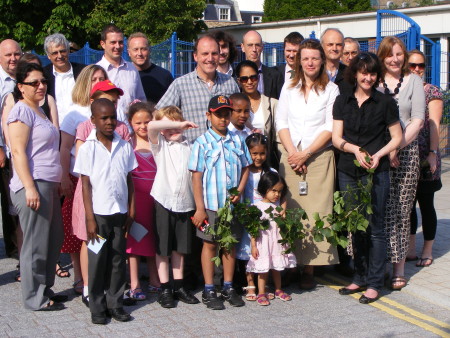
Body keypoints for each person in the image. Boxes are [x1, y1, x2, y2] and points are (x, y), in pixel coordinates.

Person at [332, 52, 402, 304]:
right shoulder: (342, 101)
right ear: (355, 73)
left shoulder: (385, 103)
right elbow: (336, 139)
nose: (368, 77)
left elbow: (397, 137)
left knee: (375, 228)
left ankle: (374, 283)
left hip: (377, 172)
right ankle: (359, 276)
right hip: (349, 170)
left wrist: (378, 155)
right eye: (364, 72)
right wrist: (354, 149)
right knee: (356, 227)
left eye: (372, 73)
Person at [276, 38, 340, 290]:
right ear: (299, 61)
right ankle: (291, 264)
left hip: (318, 158)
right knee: (291, 210)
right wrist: (293, 153)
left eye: (314, 57)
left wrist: (306, 154)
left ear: (322, 60)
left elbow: (330, 126)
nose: (310, 62)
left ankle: (310, 268)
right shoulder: (288, 88)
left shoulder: (331, 90)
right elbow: (281, 122)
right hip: (291, 156)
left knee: (316, 213)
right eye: (305, 58)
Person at [74, 98, 137, 324]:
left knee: (118, 259)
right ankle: (97, 306)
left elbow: (129, 180)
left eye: (112, 117)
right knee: (97, 260)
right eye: (104, 118)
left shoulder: (124, 145)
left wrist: (131, 211)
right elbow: (85, 185)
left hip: (119, 214)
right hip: (98, 217)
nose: (110, 122)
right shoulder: (88, 148)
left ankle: (115, 303)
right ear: (93, 120)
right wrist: (89, 218)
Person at [8, 62, 65, 311]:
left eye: (43, 82)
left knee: (52, 240)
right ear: (21, 87)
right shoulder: (22, 112)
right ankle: (34, 298)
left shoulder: (39, 110)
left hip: (48, 184)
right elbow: (18, 152)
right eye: (34, 83)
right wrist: (29, 187)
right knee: (36, 243)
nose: (41, 86)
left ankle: (44, 288)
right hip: (34, 184)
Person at [189, 95, 252, 310]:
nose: (223, 119)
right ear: (209, 115)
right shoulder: (201, 143)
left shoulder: (237, 140)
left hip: (231, 206)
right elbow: (196, 177)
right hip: (211, 206)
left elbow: (245, 167)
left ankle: (227, 285)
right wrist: (200, 208)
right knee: (209, 244)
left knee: (229, 245)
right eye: (218, 115)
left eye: (226, 114)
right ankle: (209, 288)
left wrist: (241, 190)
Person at [377, 37, 425, 290]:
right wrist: (385, 150)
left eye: (399, 54)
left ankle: (398, 268)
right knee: (381, 209)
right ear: (382, 56)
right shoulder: (375, 81)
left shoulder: (414, 81)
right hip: (380, 153)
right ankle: (379, 267)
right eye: (389, 55)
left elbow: (417, 120)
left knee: (401, 211)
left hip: (405, 154)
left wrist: (396, 146)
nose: (395, 59)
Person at [59, 64, 108, 296]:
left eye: (102, 78)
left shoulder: (110, 111)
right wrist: (64, 177)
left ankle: (99, 277)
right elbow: (65, 147)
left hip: (104, 184)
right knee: (78, 232)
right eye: (94, 79)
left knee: (98, 233)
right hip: (78, 178)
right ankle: (80, 278)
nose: (98, 82)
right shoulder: (74, 113)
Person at [148, 106, 200, 308]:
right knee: (163, 247)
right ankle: (164, 288)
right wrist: (176, 124)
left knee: (180, 247)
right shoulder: (160, 145)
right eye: (167, 125)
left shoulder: (191, 146)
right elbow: (152, 125)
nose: (172, 130)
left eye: (175, 123)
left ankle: (178, 285)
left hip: (185, 202)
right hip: (164, 200)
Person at [156, 35, 239, 142]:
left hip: (224, 152)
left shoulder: (230, 83)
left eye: (214, 53)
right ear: (195, 56)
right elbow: (158, 115)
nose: (210, 58)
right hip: (191, 153)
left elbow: (238, 114)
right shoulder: (181, 84)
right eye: (205, 54)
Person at [406, 50, 443, 268]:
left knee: (426, 204)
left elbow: (434, 124)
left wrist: (432, 153)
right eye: (412, 65)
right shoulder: (403, 88)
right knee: (408, 205)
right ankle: (410, 248)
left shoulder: (432, 91)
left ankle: (427, 249)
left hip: (425, 155)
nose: (417, 69)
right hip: (406, 156)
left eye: (421, 66)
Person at [125, 101, 161, 300]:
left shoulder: (157, 140)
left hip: (155, 198)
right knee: (135, 240)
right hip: (135, 200)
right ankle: (134, 283)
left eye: (148, 121)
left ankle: (155, 279)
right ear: (130, 122)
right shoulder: (127, 143)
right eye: (138, 122)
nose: (143, 126)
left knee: (154, 239)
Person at [247, 171, 296, 306]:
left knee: (277, 267)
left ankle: (278, 289)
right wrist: (253, 245)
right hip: (263, 243)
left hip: (275, 243)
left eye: (279, 192)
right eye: (273, 190)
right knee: (263, 270)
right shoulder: (256, 208)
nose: (277, 195)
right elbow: (253, 229)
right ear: (264, 188)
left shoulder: (278, 209)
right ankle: (261, 292)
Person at [236, 133, 273, 302]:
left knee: (263, 249)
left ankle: (263, 285)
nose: (258, 157)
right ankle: (250, 282)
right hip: (248, 216)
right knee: (250, 252)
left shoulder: (270, 172)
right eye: (254, 153)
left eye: (262, 153)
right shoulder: (244, 172)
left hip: (266, 218)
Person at [97, 24, 146, 123]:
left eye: (120, 42)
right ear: (103, 44)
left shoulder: (132, 69)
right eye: (113, 42)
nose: (117, 46)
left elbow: (141, 99)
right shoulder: (97, 71)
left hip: (131, 128)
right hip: (107, 127)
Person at [235, 60, 279, 169]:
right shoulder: (233, 106)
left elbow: (278, 136)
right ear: (239, 81)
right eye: (245, 79)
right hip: (240, 162)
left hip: (264, 162)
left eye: (253, 77)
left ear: (258, 78)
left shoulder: (272, 103)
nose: (249, 82)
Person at [0, 39, 22, 259]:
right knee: (9, 201)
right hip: (5, 150)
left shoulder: (24, 77)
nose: (13, 59)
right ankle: (14, 251)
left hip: (22, 150)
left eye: (16, 54)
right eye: (8, 55)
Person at [43, 33, 85, 124]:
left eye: (62, 51)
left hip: (82, 128)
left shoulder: (83, 71)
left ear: (68, 51)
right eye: (55, 53)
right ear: (48, 56)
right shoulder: (44, 76)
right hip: (57, 130)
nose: (60, 56)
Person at [127, 32, 173, 105]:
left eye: (143, 49)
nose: (139, 53)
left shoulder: (164, 76)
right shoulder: (125, 75)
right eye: (135, 49)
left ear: (149, 50)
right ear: (129, 52)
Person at [241, 30, 282, 99]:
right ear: (242, 47)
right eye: (250, 45)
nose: (254, 49)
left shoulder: (275, 76)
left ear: (262, 47)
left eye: (257, 45)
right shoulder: (235, 77)